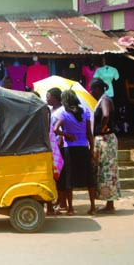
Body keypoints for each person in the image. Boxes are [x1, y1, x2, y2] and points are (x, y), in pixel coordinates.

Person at [54, 90, 96, 216]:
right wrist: (92, 148)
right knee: (89, 178)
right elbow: (89, 132)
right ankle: (93, 207)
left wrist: (67, 135)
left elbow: (55, 129)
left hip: (69, 149)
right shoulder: (85, 110)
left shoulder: (62, 112)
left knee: (69, 179)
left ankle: (71, 209)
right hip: (83, 147)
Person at [90, 78, 121, 214]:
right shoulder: (102, 100)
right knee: (104, 170)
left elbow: (106, 115)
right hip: (104, 140)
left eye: (92, 89)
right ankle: (108, 202)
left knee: (108, 171)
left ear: (98, 89)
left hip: (106, 139)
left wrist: (103, 127)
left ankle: (110, 204)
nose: (91, 92)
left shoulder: (105, 100)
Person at [45, 87, 65, 215]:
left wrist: (61, 138)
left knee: (60, 175)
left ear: (56, 98)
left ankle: (61, 201)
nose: (46, 98)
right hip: (51, 144)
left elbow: (63, 127)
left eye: (48, 96)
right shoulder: (49, 110)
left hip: (58, 144)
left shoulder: (62, 111)